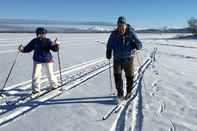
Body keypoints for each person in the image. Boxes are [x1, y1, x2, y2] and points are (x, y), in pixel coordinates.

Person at [106, 16, 142, 101]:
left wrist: (137, 45)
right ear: (117, 25)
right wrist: (108, 51)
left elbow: (140, 44)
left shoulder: (131, 33)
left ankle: (129, 92)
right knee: (117, 77)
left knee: (130, 77)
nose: (121, 28)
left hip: (128, 59)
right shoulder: (113, 34)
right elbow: (109, 44)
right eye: (119, 25)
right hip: (117, 59)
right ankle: (120, 94)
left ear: (125, 25)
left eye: (123, 25)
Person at [18, 27, 60, 94]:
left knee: (50, 74)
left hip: (47, 60)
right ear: (37, 34)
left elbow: (54, 49)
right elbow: (28, 48)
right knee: (36, 75)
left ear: (45, 34)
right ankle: (36, 89)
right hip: (37, 60)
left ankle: (54, 85)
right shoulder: (34, 41)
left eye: (43, 34)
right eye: (40, 34)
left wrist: (56, 45)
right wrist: (22, 49)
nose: (41, 35)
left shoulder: (47, 41)